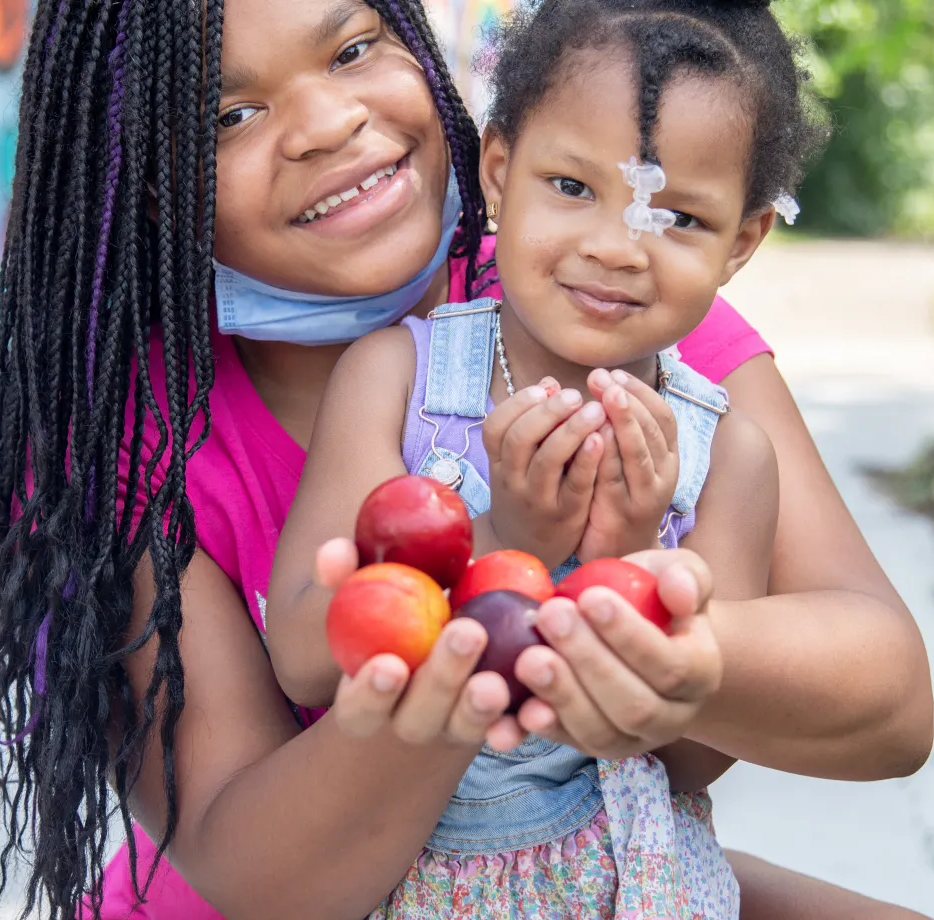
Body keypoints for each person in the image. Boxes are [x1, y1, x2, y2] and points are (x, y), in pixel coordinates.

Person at [0, 0, 934, 918]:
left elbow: (880, 706)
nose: (326, 123)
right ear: (143, 187)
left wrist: (679, 649)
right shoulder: (136, 433)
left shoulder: (606, 299)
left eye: (355, 48)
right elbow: (262, 877)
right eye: (225, 116)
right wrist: (488, 594)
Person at [262, 1, 815, 914]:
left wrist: (622, 562)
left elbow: (697, 754)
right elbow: (304, 654)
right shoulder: (400, 380)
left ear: (742, 244)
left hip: (643, 888)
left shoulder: (733, 460)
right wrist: (499, 534)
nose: (615, 246)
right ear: (499, 169)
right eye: (570, 187)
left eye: (676, 216)